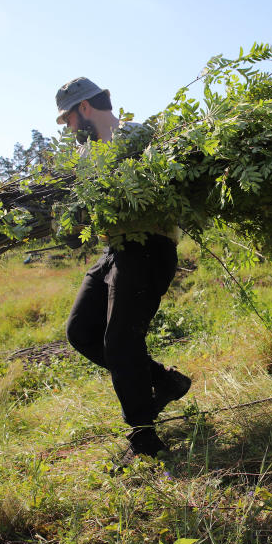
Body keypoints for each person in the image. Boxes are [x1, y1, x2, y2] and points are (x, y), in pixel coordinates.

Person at [56, 77, 191, 458]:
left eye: (67, 118)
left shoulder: (137, 137)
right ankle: (163, 382)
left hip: (148, 247)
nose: (68, 128)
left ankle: (144, 437)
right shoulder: (86, 157)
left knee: (120, 342)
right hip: (115, 251)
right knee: (81, 331)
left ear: (84, 108)